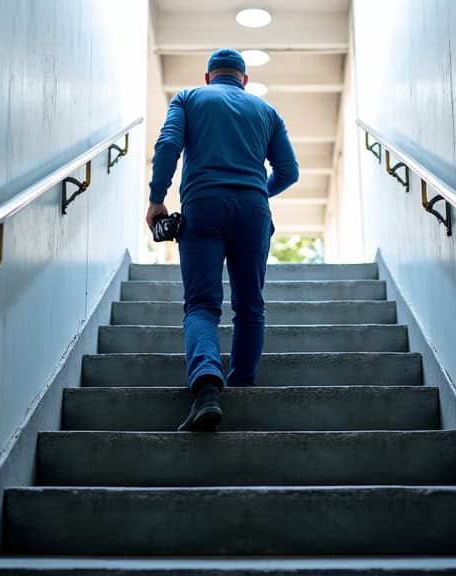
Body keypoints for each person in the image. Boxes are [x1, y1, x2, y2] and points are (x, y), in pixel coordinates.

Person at [145, 48, 299, 432]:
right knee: (250, 306)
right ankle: (243, 387)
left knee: (201, 305)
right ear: (244, 80)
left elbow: (167, 146)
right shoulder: (266, 111)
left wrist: (156, 198)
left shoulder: (189, 97)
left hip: (203, 206)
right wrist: (257, 191)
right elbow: (289, 171)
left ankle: (207, 388)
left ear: (208, 76)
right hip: (252, 211)